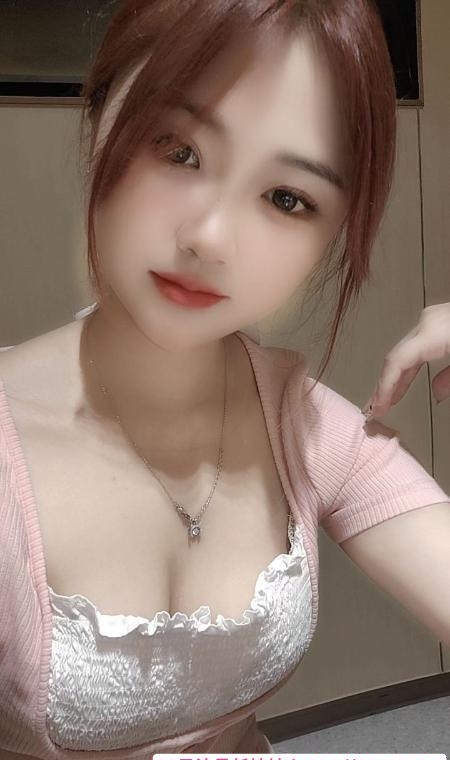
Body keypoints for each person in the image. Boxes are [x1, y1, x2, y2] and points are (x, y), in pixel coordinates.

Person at [0, 1, 449, 758]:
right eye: (178, 150)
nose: (209, 237)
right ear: (101, 117)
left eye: (287, 198)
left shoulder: (307, 428)